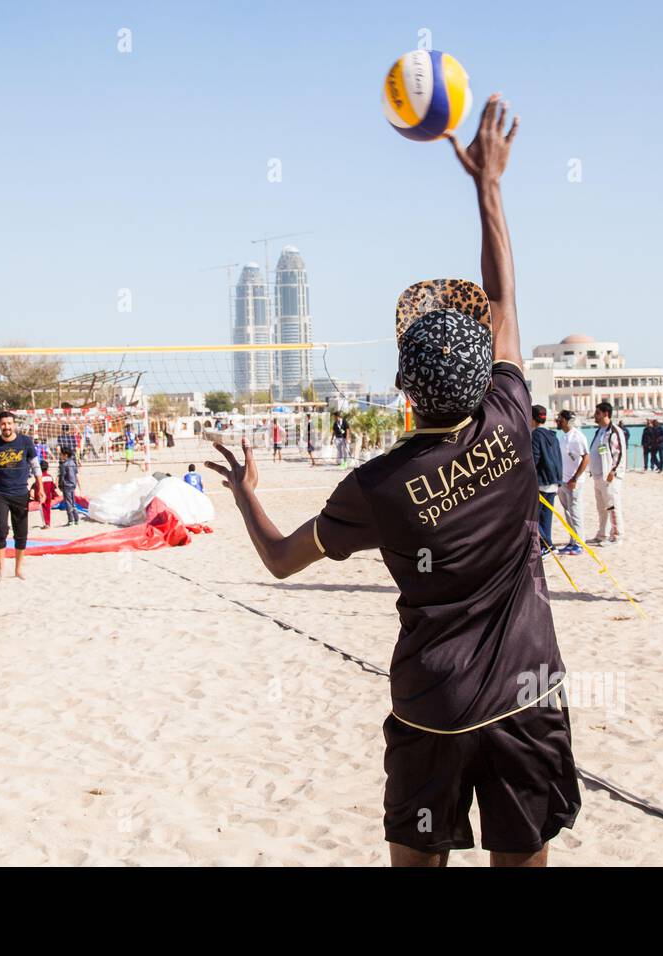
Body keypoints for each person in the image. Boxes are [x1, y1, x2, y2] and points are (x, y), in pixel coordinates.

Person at [208, 95, 579, 867]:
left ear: (405, 388)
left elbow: (279, 561)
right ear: (486, 374)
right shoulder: (512, 415)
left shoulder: (375, 487)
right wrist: (488, 185)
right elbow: (505, 300)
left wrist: (247, 495)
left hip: (430, 703)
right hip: (525, 693)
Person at [0, 411, 40, 580]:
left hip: (21, 493)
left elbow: (35, 466)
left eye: (9, 423)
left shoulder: (25, 442)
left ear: (14, 424)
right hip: (0, 493)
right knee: (1, 530)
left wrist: (40, 487)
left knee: (21, 532)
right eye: (3, 423)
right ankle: (0, 569)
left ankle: (18, 569)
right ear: (0, 425)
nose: (7, 426)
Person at [587, 401, 625, 546]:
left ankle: (617, 535)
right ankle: (602, 534)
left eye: (597, 413)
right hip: (597, 476)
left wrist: (613, 471)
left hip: (609, 477)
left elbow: (619, 453)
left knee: (612, 506)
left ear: (605, 414)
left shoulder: (614, 431)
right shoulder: (600, 431)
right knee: (601, 507)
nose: (595, 416)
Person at [554, 410, 589, 555]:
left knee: (575, 512)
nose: (558, 421)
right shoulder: (563, 437)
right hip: (562, 481)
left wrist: (574, 478)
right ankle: (572, 540)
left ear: (567, 421)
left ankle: (580, 543)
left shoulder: (578, 437)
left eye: (560, 419)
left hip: (575, 482)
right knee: (567, 512)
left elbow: (586, 458)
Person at [530, 405, 563, 556]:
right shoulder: (552, 435)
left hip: (542, 481)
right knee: (546, 516)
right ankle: (547, 546)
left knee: (533, 517)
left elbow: (534, 458)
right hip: (553, 480)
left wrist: (528, 476)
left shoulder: (536, 435)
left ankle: (548, 544)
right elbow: (558, 457)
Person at [59, 448, 81, 526]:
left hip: (67, 485)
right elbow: (76, 474)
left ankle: (70, 520)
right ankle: (77, 519)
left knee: (68, 503)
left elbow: (62, 476)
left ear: (65, 455)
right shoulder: (73, 463)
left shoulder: (64, 465)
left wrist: (60, 485)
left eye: (61, 454)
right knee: (73, 502)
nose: (60, 456)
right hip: (73, 485)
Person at [36, 459, 57, 529]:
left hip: (42, 496)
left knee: (43, 509)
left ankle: (45, 524)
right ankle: (48, 523)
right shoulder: (50, 476)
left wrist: (36, 497)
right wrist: (54, 495)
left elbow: (37, 487)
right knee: (48, 509)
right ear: (47, 468)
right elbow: (52, 487)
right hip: (49, 496)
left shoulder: (39, 478)